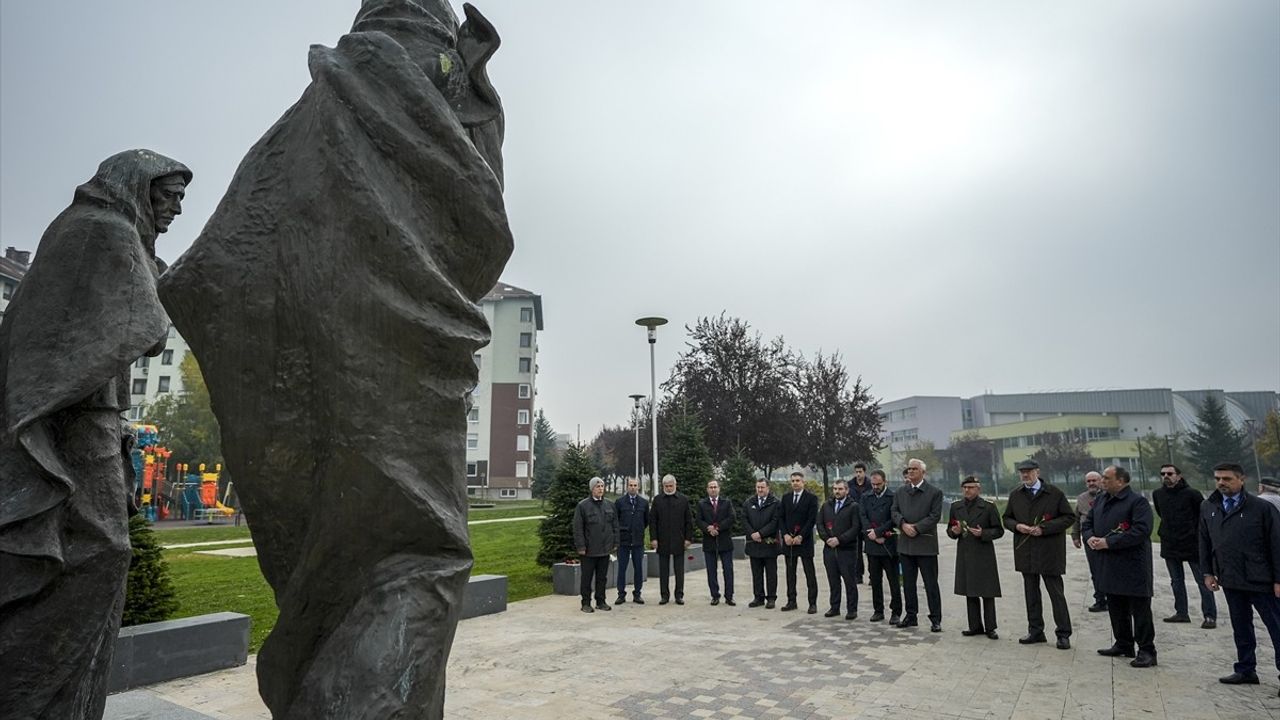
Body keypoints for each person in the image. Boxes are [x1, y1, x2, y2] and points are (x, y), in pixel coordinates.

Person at [0, 150, 190, 720]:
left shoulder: (96, 231)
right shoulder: (100, 231)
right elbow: (147, 329)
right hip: (76, 417)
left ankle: (68, 700)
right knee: (102, 549)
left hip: (87, 412)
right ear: (136, 186)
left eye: (181, 198)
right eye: (168, 195)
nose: (176, 208)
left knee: (99, 552)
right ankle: (37, 697)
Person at [1199, 462, 1280, 692]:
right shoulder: (1209, 507)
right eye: (1218, 479)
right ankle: (1246, 669)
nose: (1221, 483)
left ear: (1241, 479)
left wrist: (1278, 579)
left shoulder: (1260, 508)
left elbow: (1276, 543)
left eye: (1227, 479)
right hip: (1231, 579)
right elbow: (1204, 541)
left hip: (1261, 579)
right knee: (1241, 627)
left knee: (1276, 627)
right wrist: (1207, 572)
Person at [1084, 465, 1157, 668]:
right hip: (1108, 564)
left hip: (1133, 565)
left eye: (1107, 478)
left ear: (1121, 481)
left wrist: (1110, 542)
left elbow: (1141, 531)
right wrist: (1090, 538)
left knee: (1139, 610)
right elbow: (1087, 523)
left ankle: (1146, 650)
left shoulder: (1137, 502)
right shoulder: (1100, 500)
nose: (1102, 481)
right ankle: (1123, 643)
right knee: (1116, 607)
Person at [1002, 459, 1075, 649]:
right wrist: (1017, 526)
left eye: (1029, 471)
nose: (1025, 475)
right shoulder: (1016, 495)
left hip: (1050, 551)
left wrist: (1045, 528)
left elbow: (1068, 517)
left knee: (1056, 593)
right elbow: (1006, 518)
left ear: (1037, 472)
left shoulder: (1054, 493)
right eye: (1022, 472)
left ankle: (1063, 633)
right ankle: (1035, 630)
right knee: (1031, 593)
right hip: (1026, 551)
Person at [1152, 463, 1216, 628]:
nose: (1166, 476)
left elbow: (1202, 515)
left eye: (1170, 473)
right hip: (1170, 543)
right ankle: (1181, 612)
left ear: (1178, 476)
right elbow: (1160, 513)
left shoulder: (1192, 494)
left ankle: (1209, 615)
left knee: (1202, 580)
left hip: (1192, 543)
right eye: (1163, 473)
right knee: (1176, 580)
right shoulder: (1158, 494)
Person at [947, 476, 1004, 639]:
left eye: (971, 487)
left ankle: (990, 627)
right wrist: (954, 532)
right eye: (964, 487)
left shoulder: (988, 507)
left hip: (984, 554)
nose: (967, 490)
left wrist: (983, 533)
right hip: (965, 553)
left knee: (987, 592)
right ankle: (975, 625)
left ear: (978, 489)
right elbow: (950, 530)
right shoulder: (956, 507)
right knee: (970, 591)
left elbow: (999, 530)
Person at [892, 458, 944, 631]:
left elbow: (935, 515)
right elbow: (894, 511)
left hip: (925, 544)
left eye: (914, 469)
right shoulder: (900, 492)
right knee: (908, 584)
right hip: (906, 545)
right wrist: (903, 525)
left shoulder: (934, 492)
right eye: (909, 469)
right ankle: (911, 615)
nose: (911, 472)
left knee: (930, 584)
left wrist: (917, 528)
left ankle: (935, 618)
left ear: (923, 472)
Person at [860, 470, 902, 624]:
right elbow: (862, 516)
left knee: (893, 581)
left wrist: (879, 533)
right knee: (875, 580)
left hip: (888, 544)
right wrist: (871, 534)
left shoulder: (893, 497)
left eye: (878, 484)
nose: (876, 486)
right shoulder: (865, 497)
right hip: (872, 545)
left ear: (885, 482)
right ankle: (878, 610)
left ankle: (896, 611)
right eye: (873, 484)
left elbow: (894, 518)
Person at [573, 477, 620, 613]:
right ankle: (586, 603)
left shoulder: (610, 505)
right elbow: (578, 528)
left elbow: (615, 526)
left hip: (605, 550)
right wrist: (581, 547)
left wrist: (615, 543)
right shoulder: (583, 506)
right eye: (597, 486)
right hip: (589, 550)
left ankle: (601, 601)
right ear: (592, 489)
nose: (600, 489)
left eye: (602, 486)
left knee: (602, 578)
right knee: (586, 578)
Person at [817, 480, 862, 619]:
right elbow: (820, 524)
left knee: (849, 581)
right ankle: (834, 607)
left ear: (847, 490)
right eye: (835, 488)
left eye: (840, 489)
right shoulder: (826, 506)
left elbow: (856, 527)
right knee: (833, 580)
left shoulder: (854, 506)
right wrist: (827, 539)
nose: (837, 491)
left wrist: (840, 539)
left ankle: (852, 609)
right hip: (829, 549)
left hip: (847, 550)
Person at [649, 474, 693, 605]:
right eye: (666, 486)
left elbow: (688, 521)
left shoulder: (683, 500)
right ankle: (664, 595)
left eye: (671, 486)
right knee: (663, 570)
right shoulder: (657, 500)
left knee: (679, 570)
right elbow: (653, 521)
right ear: (663, 486)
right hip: (662, 540)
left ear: (675, 485)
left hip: (679, 539)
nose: (668, 488)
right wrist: (653, 538)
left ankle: (679, 595)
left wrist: (688, 538)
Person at [780, 471, 820, 613]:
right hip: (789, 542)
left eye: (798, 480)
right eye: (793, 481)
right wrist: (785, 535)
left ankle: (812, 603)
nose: (795, 483)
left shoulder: (811, 498)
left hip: (805, 541)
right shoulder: (785, 498)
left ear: (803, 482)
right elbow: (781, 518)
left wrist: (801, 536)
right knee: (790, 573)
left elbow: (811, 519)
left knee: (809, 573)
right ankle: (791, 601)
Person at [1071, 471, 1108, 612]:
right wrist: (1075, 536)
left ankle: (1115, 598)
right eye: (1089, 481)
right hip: (1089, 539)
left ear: (1101, 481)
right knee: (1095, 570)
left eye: (1094, 480)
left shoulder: (1108, 496)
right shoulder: (1081, 498)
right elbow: (1077, 518)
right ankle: (1100, 599)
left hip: (1106, 538)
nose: (1092, 483)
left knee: (1110, 569)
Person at [696, 479, 736, 606]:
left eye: (715, 487)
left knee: (728, 570)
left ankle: (729, 596)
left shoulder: (726, 503)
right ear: (707, 489)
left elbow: (731, 518)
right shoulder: (702, 504)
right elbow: (698, 520)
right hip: (709, 542)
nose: (713, 489)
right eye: (710, 487)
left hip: (724, 541)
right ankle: (714, 595)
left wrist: (718, 527)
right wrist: (708, 528)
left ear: (719, 488)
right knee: (711, 571)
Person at [743, 479, 781, 608]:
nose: (760, 490)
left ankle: (771, 598)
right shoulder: (749, 503)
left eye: (762, 487)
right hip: (754, 544)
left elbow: (775, 522)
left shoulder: (775, 503)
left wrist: (761, 533)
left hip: (769, 544)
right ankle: (758, 597)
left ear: (768, 488)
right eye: (758, 487)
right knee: (756, 573)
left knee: (771, 573)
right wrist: (753, 534)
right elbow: (745, 520)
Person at [615, 477, 649, 605]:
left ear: (638, 487)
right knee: (622, 568)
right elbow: (616, 520)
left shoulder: (643, 503)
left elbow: (646, 521)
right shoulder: (619, 502)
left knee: (638, 568)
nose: (633, 487)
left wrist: (638, 529)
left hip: (638, 541)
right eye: (630, 485)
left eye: (635, 485)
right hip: (623, 541)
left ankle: (637, 594)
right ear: (626, 487)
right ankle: (621, 595)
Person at [848, 462, 872, 582]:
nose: (858, 474)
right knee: (856, 550)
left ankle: (872, 575)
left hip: (868, 520)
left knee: (870, 549)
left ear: (864, 472)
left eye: (860, 472)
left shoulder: (870, 485)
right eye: (856, 472)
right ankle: (858, 575)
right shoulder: (850, 485)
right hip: (855, 521)